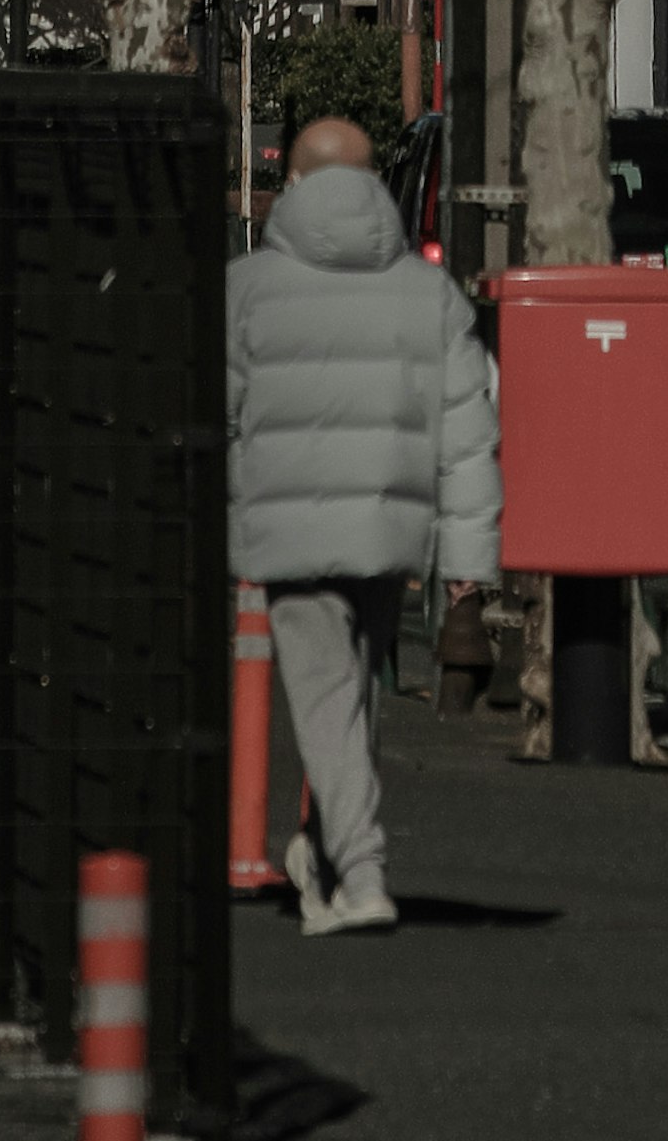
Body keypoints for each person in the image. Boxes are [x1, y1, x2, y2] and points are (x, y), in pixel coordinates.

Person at [225, 109, 499, 940]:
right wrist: (468, 565)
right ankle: (322, 848)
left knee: (327, 698)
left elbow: (211, 421)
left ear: (295, 182)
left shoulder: (244, 288)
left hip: (287, 530)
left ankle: (366, 870)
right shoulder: (429, 291)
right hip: (389, 528)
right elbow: (470, 433)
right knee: (352, 698)